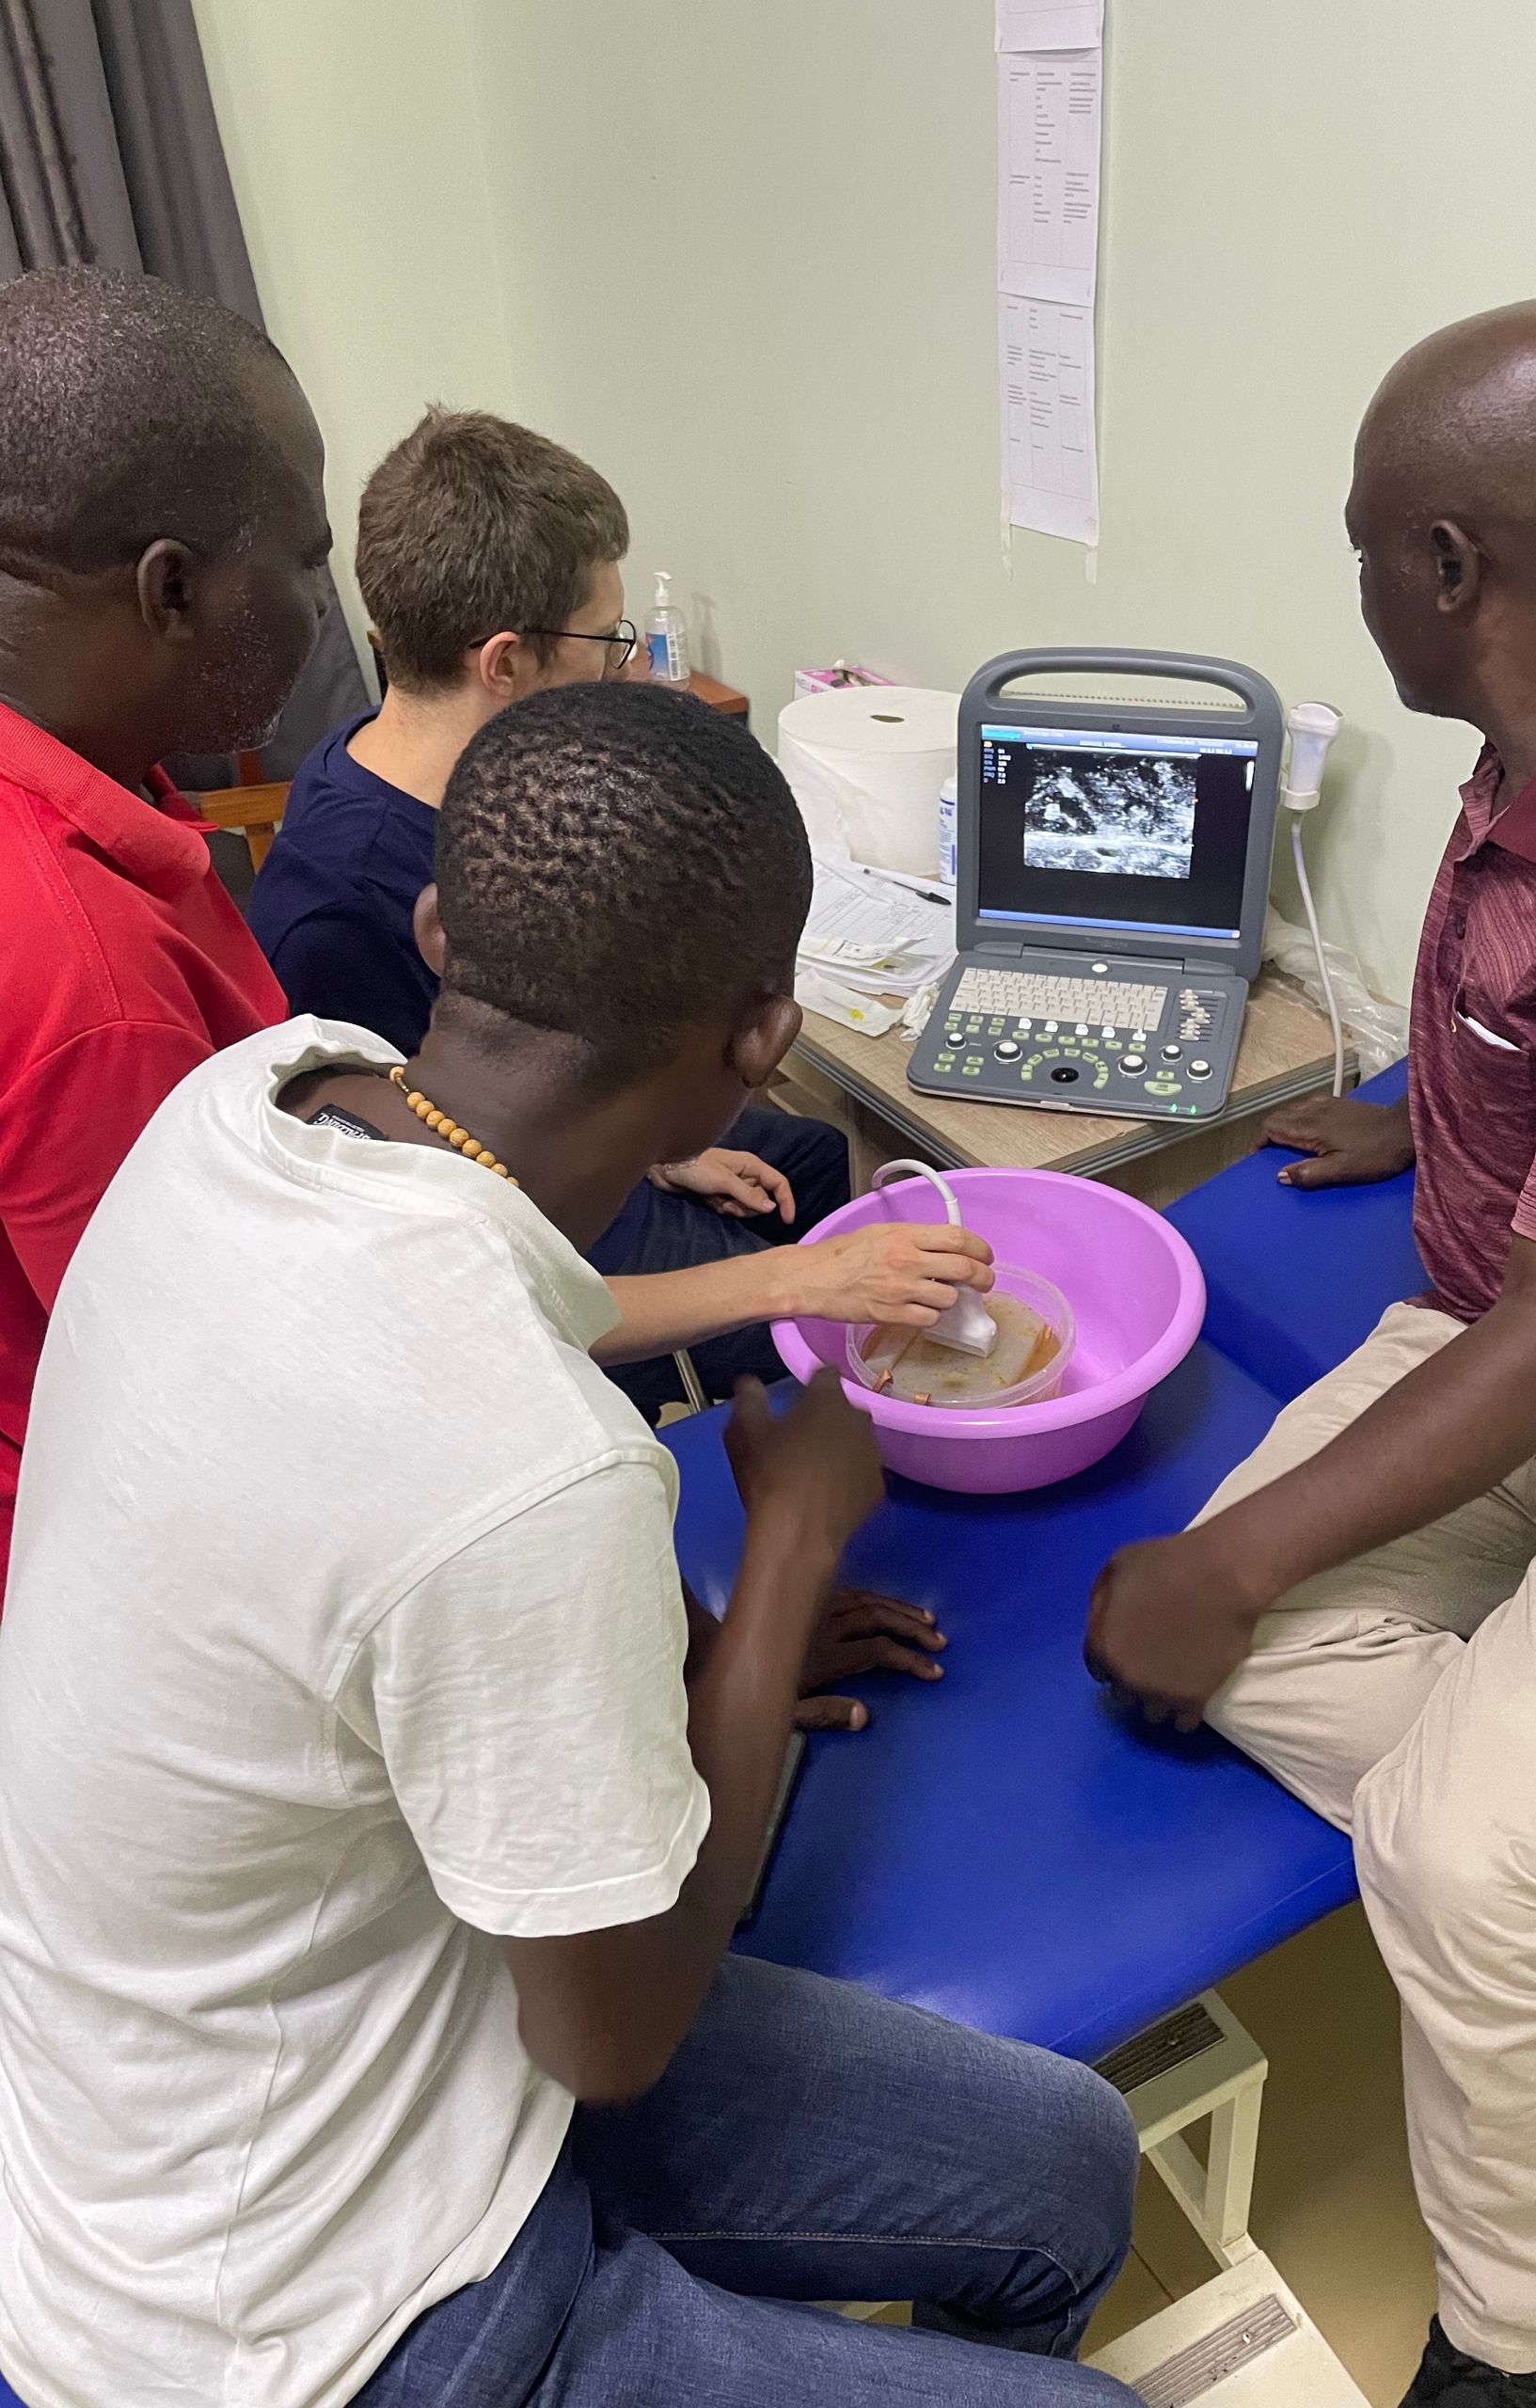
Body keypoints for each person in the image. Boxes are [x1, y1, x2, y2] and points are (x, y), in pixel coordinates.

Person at [0, 679, 1140, 2408]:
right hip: (299, 2316)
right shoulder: (544, 1476)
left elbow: (466, 1394)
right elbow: (616, 2041)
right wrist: (783, 1568)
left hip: (372, 2028)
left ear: (439, 931)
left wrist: (695, 1661)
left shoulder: (261, 1100)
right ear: (765, 1041)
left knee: (1069, 2165)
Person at [1085, 300, 1536, 2406]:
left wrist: (1225, 1556)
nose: (1356, 583)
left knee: (1463, 1847)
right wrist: (1443, 1110)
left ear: (1452, 566)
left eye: (1362, 546)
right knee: (1260, 1662)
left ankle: (1521, 2337)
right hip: (1519, 1334)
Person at [248, 407, 942, 1421]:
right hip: (500, 1245)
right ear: (504, 664)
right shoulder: (341, 916)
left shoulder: (397, 762)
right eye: (608, 642)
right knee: (807, 1310)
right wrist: (793, 1280)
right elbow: (455, 1279)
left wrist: (664, 1149)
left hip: (537, 1141)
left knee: (816, 1158)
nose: (629, 667)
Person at [0, 265, 334, 1592]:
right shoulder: (94, 985)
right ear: (173, 590)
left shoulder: (99, 782)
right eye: (306, 558)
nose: (325, 603)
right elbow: (226, 1423)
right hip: (120, 1577)